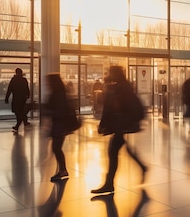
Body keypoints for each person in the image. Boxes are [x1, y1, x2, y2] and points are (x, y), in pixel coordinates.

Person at [92, 66, 147, 194]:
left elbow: (108, 108)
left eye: (110, 73)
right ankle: (142, 167)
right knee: (121, 148)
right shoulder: (126, 86)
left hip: (119, 124)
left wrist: (102, 125)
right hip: (123, 124)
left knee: (112, 152)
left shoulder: (115, 88)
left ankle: (109, 184)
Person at [43, 73, 79, 182]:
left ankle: (63, 170)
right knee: (57, 148)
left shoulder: (57, 95)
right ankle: (62, 170)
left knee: (56, 148)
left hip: (59, 125)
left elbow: (56, 110)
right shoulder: (61, 93)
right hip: (61, 125)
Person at [5, 67, 31, 132]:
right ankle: (25, 121)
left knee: (18, 112)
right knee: (21, 111)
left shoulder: (14, 80)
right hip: (22, 98)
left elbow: (9, 89)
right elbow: (27, 89)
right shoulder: (24, 80)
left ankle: (18, 125)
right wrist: (28, 95)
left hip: (16, 98)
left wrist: (7, 97)